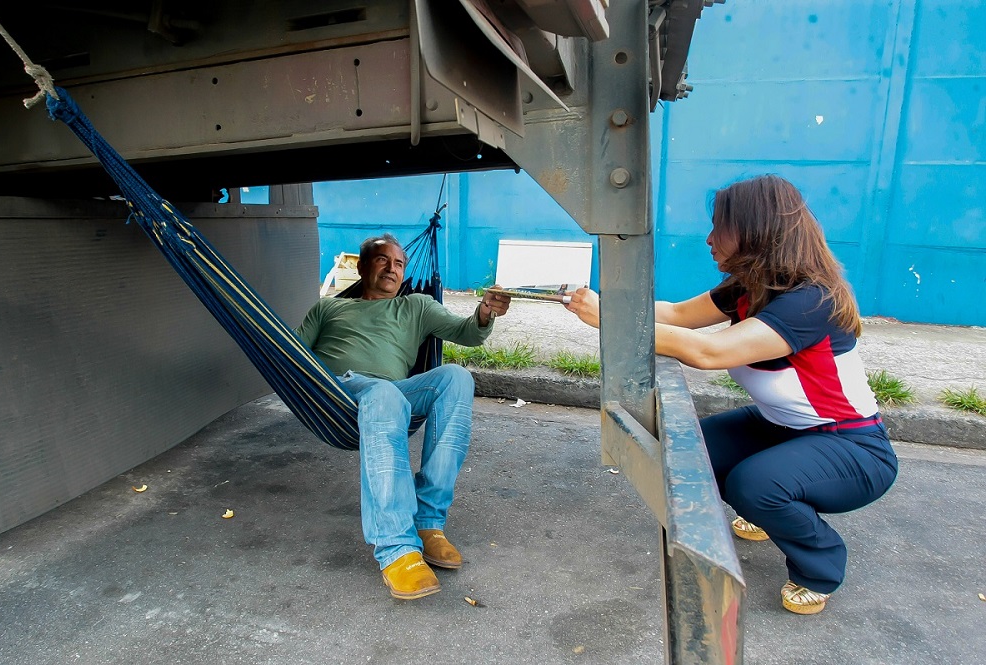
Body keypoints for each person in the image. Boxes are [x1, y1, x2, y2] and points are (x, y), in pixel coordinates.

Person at [564, 174, 897, 615]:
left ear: (756, 231)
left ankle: (820, 564)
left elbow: (709, 352)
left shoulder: (809, 301)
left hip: (851, 446)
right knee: (690, 452)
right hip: (783, 427)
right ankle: (767, 510)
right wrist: (606, 303)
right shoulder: (751, 286)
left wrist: (610, 318)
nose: (709, 239)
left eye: (719, 228)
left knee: (753, 484)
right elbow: (677, 314)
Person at [295, 233, 511, 600]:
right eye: (382, 260)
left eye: (398, 263)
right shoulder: (328, 308)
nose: (392, 268)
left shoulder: (417, 306)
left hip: (395, 393)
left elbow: (466, 332)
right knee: (383, 393)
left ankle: (428, 522)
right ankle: (396, 547)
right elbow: (293, 352)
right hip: (338, 391)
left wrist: (485, 312)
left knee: (456, 378)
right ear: (362, 267)